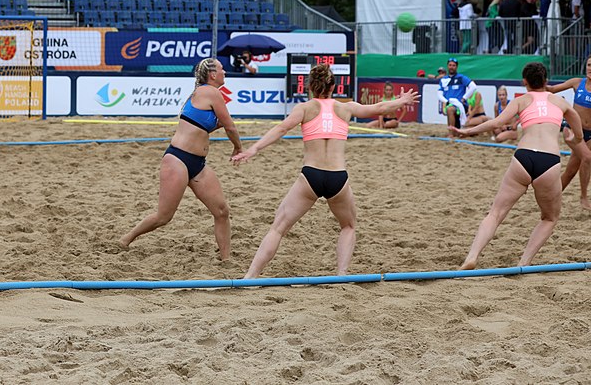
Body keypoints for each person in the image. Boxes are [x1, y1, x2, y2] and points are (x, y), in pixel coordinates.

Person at [232, 64, 419, 277]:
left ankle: (250, 277)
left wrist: (254, 149)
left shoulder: (304, 108)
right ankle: (341, 274)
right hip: (338, 177)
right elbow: (377, 109)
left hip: (311, 175)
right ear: (334, 87)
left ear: (311, 86)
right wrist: (402, 101)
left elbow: (281, 128)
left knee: (278, 228)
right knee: (348, 226)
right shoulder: (345, 108)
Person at [451, 62, 591, 269]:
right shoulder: (559, 101)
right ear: (546, 81)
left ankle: (472, 256)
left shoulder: (522, 100)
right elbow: (576, 123)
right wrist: (576, 137)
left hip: (523, 157)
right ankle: (524, 262)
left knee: (495, 213)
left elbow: (496, 123)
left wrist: (466, 132)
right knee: (549, 218)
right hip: (549, 161)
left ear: (524, 82)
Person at [119, 58, 242, 259]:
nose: (225, 72)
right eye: (221, 69)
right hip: (178, 159)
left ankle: (226, 260)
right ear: (212, 75)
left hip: (198, 165)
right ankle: (126, 239)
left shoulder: (204, 94)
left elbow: (204, 127)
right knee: (164, 216)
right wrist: (238, 147)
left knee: (221, 211)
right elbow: (230, 126)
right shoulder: (210, 92)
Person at [546, 55, 591, 210]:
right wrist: (538, 82)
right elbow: (552, 89)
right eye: (589, 65)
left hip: (590, 134)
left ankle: (550, 198)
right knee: (588, 158)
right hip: (572, 129)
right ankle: (584, 198)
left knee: (571, 171)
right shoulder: (577, 83)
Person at [438, 58, 477, 136]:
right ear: (447, 66)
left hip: (460, 105)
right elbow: (439, 94)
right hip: (449, 103)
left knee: (450, 109)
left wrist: (464, 98)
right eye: (450, 65)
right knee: (450, 109)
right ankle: (455, 131)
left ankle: (451, 133)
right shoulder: (443, 80)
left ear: (457, 67)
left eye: (453, 65)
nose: (451, 67)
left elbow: (473, 87)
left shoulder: (461, 78)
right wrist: (446, 102)